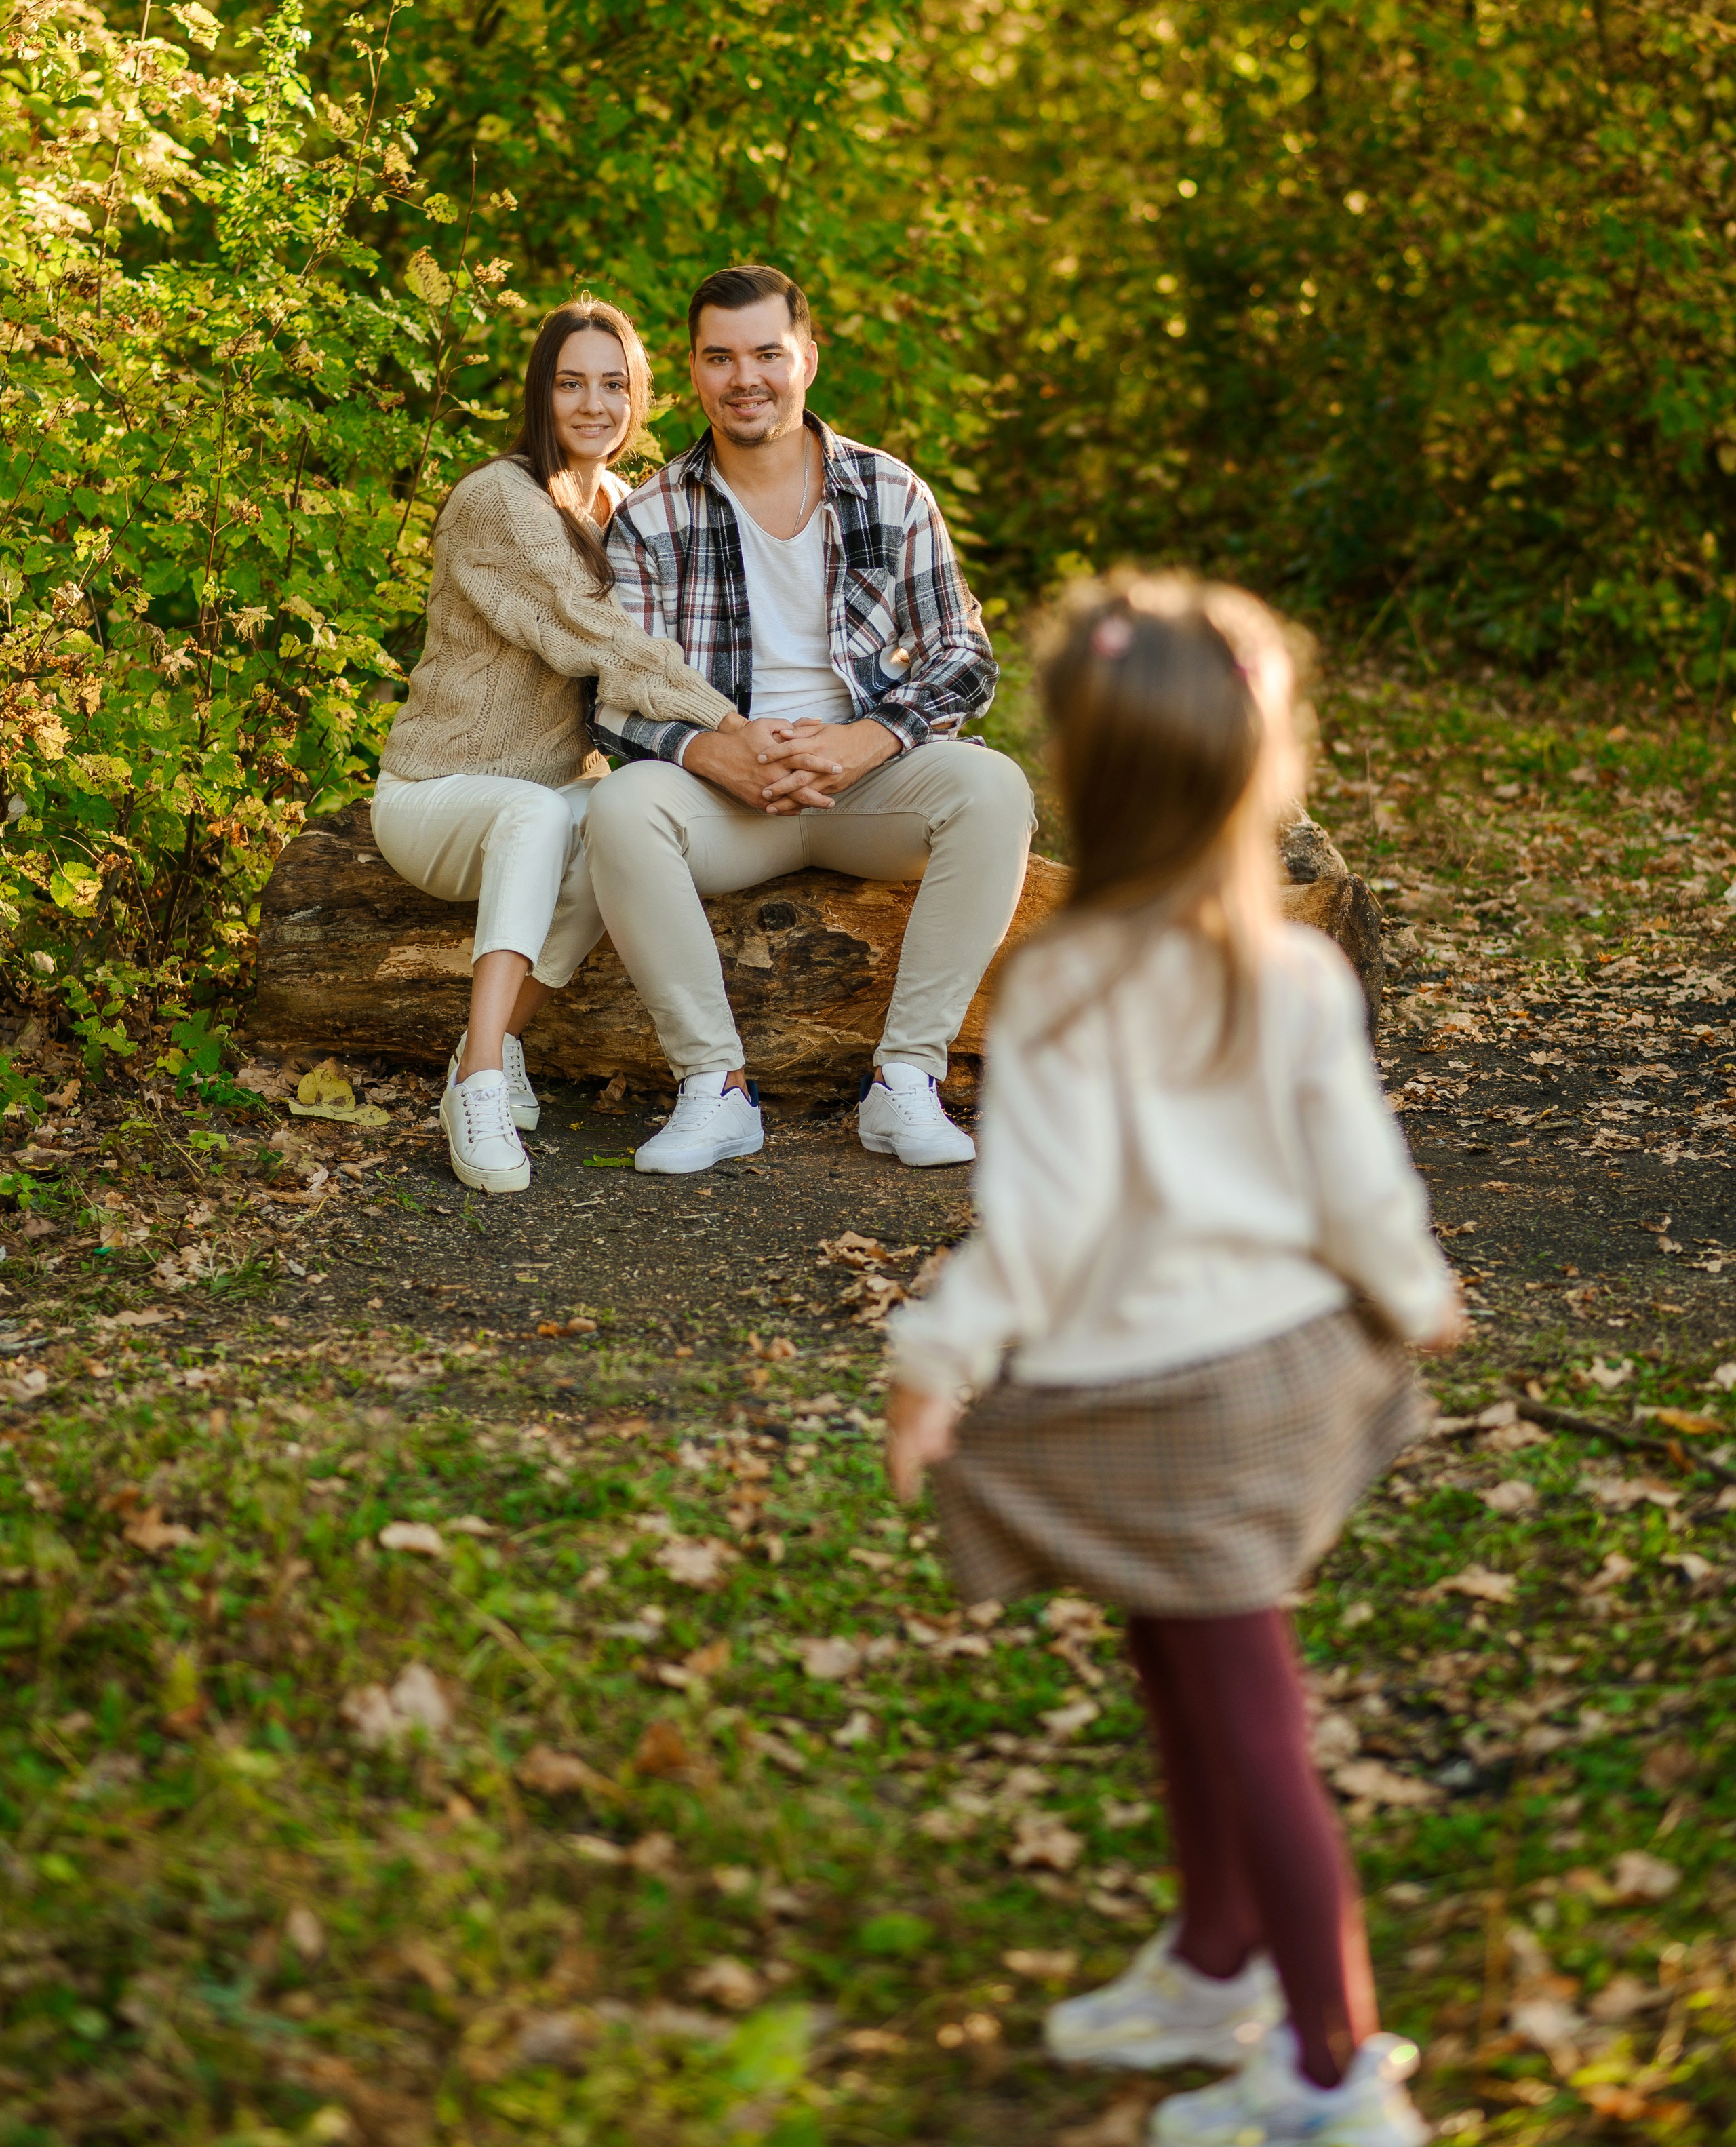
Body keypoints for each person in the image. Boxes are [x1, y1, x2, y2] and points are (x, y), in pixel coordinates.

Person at [883, 572, 1463, 2147]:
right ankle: (1216, 1960)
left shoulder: (1070, 977)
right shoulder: (1289, 968)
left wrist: (936, 1354)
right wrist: (1410, 1292)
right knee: (1176, 1651)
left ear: (1086, 777)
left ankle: (1337, 2073)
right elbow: (1359, 1181)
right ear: (1255, 775)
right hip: (1271, 1378)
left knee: (1243, 1703)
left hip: (1168, 1396)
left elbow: (1039, 1225)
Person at [583, 261, 1035, 1176]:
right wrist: (718, 752)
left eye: (767, 353)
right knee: (622, 810)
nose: (744, 377)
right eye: (720, 358)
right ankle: (717, 1088)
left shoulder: (890, 491)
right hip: (732, 805)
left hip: (868, 786)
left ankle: (904, 1080)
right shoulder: (651, 515)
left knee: (994, 789)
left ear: (809, 359)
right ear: (695, 370)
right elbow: (618, 698)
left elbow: (965, 653)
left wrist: (865, 739)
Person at [371, 299, 743, 1195]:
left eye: (614, 384)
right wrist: (734, 730)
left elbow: (675, 637)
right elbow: (600, 640)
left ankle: (487, 1044)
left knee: (619, 828)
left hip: (552, 790)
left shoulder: (620, 502)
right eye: (571, 382)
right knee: (536, 813)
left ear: (638, 399)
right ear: (540, 392)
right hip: (435, 793)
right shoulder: (498, 500)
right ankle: (482, 1083)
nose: (594, 403)